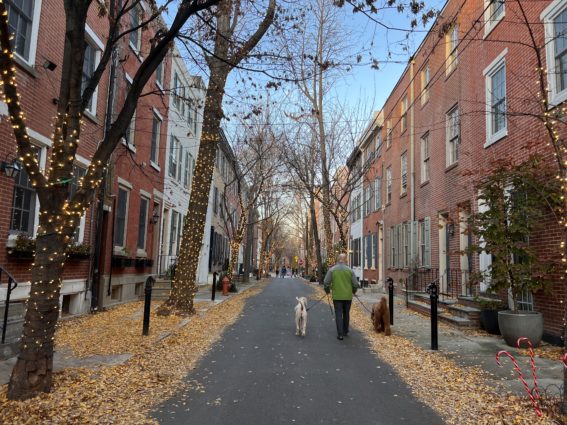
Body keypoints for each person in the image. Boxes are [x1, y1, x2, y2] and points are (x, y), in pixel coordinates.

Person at [323, 253, 359, 340]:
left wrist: (327, 291)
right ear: (345, 260)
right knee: (346, 313)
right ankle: (345, 331)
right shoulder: (350, 270)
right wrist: (353, 291)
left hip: (337, 296)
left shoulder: (332, 270)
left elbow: (326, 282)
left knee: (338, 314)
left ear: (337, 260)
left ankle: (340, 334)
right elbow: (355, 284)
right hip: (347, 296)